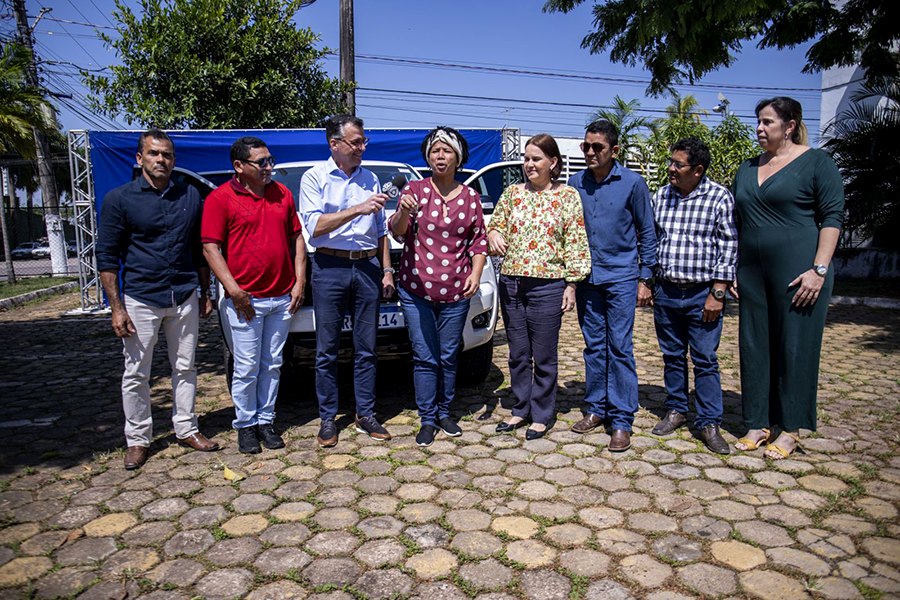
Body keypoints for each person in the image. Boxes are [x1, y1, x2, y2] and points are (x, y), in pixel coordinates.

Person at [97, 129, 219, 470]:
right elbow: (107, 257)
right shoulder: (119, 199)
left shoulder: (189, 196)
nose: (160, 160)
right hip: (140, 298)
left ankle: (186, 428)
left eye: (166, 155)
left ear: (174, 160)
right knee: (136, 372)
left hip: (183, 295)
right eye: (153, 154)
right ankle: (137, 439)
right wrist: (116, 308)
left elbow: (199, 250)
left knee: (186, 367)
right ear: (140, 159)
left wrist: (205, 292)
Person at [732, 97, 844, 459]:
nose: (759, 129)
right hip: (752, 274)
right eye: (758, 122)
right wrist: (733, 269)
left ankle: (791, 429)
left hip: (802, 275)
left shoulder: (817, 163)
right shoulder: (747, 168)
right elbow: (737, 224)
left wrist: (819, 270)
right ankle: (758, 423)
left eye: (767, 122)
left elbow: (832, 218)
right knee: (754, 346)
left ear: (790, 126)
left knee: (794, 349)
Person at [202, 136, 306, 454]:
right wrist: (234, 291)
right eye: (261, 162)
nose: (269, 167)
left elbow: (298, 238)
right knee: (246, 366)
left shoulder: (282, 194)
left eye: (270, 160)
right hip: (245, 301)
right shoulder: (220, 199)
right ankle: (245, 426)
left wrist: (300, 281)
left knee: (273, 363)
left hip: (280, 299)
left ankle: (266, 420)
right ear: (239, 166)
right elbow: (210, 247)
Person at [299, 115, 395, 448]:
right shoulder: (314, 178)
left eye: (363, 142)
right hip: (329, 267)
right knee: (326, 350)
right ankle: (328, 418)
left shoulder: (371, 178)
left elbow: (381, 231)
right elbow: (314, 227)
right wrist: (358, 209)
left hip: (367, 268)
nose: (362, 148)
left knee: (366, 348)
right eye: (356, 142)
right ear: (334, 144)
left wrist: (386, 270)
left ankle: (365, 413)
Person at [389, 127, 489, 447]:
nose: (440, 156)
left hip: (457, 291)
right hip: (416, 289)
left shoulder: (471, 197)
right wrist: (403, 210)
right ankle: (427, 419)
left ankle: (445, 412)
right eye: (435, 151)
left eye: (446, 151)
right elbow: (397, 232)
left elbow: (478, 242)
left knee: (447, 355)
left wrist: (476, 273)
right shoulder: (415, 190)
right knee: (424, 356)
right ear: (428, 157)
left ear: (458, 158)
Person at [487, 134, 591, 440]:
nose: (529, 164)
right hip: (512, 283)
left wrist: (571, 283)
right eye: (526, 158)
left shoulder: (567, 196)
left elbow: (575, 241)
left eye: (536, 159)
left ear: (553, 163)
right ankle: (520, 409)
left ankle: (542, 414)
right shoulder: (511, 194)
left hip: (548, 286)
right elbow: (495, 225)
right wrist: (493, 234)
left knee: (544, 355)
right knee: (518, 353)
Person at [568, 120, 658, 452]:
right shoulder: (575, 182)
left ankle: (621, 420)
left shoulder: (633, 183)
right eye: (586, 147)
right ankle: (595, 408)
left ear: (614, 150)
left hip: (621, 277)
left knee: (620, 347)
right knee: (594, 346)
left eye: (598, 147)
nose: (590, 152)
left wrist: (645, 278)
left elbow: (647, 232)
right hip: (587, 279)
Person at [649, 138, 738, 454]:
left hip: (703, 294)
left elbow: (728, 245)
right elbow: (651, 241)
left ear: (698, 170)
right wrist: (647, 281)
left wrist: (718, 292)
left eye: (678, 164)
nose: (671, 168)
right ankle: (676, 409)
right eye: (671, 162)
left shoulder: (718, 198)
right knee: (672, 356)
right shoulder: (661, 196)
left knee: (705, 359)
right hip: (667, 291)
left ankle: (709, 422)